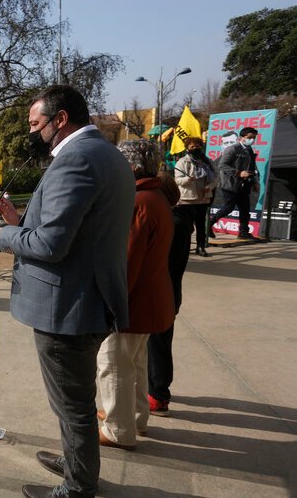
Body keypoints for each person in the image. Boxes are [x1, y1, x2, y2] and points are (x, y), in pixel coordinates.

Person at [0, 85, 134, 498]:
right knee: (74, 401)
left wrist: (4, 233)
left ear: (59, 119)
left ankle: (77, 487)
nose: (33, 131)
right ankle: (76, 461)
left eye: (35, 123)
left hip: (68, 308)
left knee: (72, 405)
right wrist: (19, 218)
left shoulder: (76, 160)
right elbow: (75, 229)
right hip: (84, 299)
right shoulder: (105, 154)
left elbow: (51, 245)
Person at [96, 140, 175, 451]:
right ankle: (135, 418)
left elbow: (125, 262)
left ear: (129, 168)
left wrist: (108, 305)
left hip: (131, 304)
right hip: (148, 301)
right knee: (135, 364)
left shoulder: (137, 201)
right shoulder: (154, 196)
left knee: (113, 364)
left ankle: (118, 429)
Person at [148, 173, 193, 418]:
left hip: (162, 293)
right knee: (157, 344)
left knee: (158, 345)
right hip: (169, 292)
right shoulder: (178, 219)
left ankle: (158, 394)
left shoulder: (173, 223)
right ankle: (156, 388)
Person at [209, 126, 259, 239]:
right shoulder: (232, 149)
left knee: (245, 209)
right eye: (249, 137)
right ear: (241, 137)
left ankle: (243, 232)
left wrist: (254, 182)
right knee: (229, 207)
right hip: (230, 184)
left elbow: (252, 167)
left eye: (254, 138)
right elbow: (222, 165)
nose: (252, 140)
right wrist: (238, 173)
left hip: (244, 184)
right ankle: (210, 223)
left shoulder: (249, 150)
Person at [175, 137, 217, 257]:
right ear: (187, 148)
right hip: (187, 199)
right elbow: (177, 180)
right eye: (192, 146)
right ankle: (185, 247)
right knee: (187, 226)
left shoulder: (208, 161)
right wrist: (188, 179)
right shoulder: (182, 162)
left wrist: (210, 186)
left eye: (198, 146)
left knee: (200, 224)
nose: (195, 148)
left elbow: (216, 178)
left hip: (203, 197)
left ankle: (200, 246)